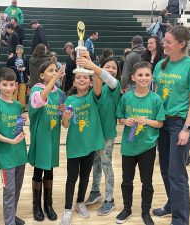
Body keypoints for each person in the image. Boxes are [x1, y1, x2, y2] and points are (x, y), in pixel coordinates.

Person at [152, 26, 190, 225]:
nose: (163, 44)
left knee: (177, 173)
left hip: (179, 124)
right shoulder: (160, 65)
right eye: (163, 41)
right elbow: (156, 96)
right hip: (162, 123)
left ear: (181, 44)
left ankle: (180, 219)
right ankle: (171, 205)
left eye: (168, 41)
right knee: (166, 170)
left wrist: (187, 128)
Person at [115, 61, 165, 225]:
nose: (144, 78)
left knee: (147, 181)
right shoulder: (126, 97)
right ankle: (127, 208)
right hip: (128, 147)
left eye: (147, 75)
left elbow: (160, 123)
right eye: (140, 75)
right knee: (126, 180)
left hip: (147, 147)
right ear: (133, 77)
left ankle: (145, 211)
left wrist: (148, 121)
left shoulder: (156, 99)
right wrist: (125, 121)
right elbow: (119, 118)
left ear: (152, 77)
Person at [60, 51, 104, 225]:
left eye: (85, 78)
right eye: (78, 77)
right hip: (75, 145)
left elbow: (99, 82)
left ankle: (80, 203)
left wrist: (90, 64)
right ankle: (67, 209)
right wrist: (65, 118)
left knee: (85, 177)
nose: (82, 80)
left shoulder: (94, 96)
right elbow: (65, 125)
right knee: (72, 178)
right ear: (74, 81)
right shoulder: (69, 99)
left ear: (90, 81)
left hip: (90, 144)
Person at [83, 56, 121, 216]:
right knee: (96, 163)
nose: (111, 69)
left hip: (107, 134)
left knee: (106, 164)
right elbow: (98, 81)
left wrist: (91, 64)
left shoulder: (115, 86)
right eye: (107, 66)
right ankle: (95, 191)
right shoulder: (97, 88)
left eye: (114, 68)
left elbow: (107, 79)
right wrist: (90, 62)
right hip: (95, 134)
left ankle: (110, 200)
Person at [28, 61, 65, 222]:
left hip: (53, 137)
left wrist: (64, 112)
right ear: (42, 75)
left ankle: (48, 205)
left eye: (56, 70)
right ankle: (36, 206)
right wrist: (55, 78)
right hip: (40, 137)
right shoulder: (37, 89)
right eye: (51, 71)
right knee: (38, 171)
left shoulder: (60, 93)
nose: (54, 73)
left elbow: (61, 117)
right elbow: (39, 101)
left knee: (49, 170)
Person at [0, 67, 27, 225]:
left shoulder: (18, 105)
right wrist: (10, 141)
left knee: (16, 189)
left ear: (16, 85)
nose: (8, 88)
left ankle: (12, 215)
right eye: (4, 84)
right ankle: (9, 222)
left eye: (11, 85)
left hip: (20, 153)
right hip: (6, 156)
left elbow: (17, 128)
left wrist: (22, 121)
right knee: (9, 191)